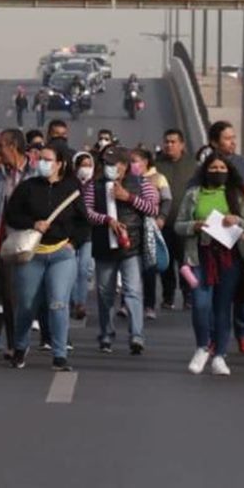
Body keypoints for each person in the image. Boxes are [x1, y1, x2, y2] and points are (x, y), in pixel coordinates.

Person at [3, 142, 88, 371]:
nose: (42, 163)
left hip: (61, 255)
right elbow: (11, 215)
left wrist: (73, 243)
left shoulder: (72, 188)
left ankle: (59, 355)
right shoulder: (27, 187)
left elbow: (84, 222)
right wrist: (33, 223)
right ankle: (20, 347)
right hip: (31, 255)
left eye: (48, 160)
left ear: (60, 164)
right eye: (40, 159)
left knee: (58, 303)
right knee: (26, 305)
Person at [175, 154, 244, 376]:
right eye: (213, 167)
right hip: (200, 256)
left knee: (222, 307)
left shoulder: (235, 195)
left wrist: (237, 220)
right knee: (201, 304)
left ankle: (220, 355)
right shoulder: (193, 194)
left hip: (229, 258)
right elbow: (178, 225)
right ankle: (202, 346)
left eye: (222, 167)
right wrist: (195, 226)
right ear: (205, 170)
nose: (218, 171)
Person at [83, 146, 159, 355]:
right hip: (104, 246)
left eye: (114, 164)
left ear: (124, 166)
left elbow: (153, 208)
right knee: (105, 292)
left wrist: (128, 197)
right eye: (106, 164)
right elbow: (88, 212)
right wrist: (107, 220)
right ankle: (106, 334)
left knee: (132, 290)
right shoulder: (94, 186)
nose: (109, 168)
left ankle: (137, 335)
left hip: (131, 246)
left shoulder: (142, 184)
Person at [0, 128, 39, 360]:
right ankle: (16, 344)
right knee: (8, 294)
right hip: (4, 241)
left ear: (13, 147)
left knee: (29, 295)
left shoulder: (35, 174)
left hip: (32, 240)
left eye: (0, 147)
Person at [155, 129, 197, 310]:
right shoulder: (157, 165)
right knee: (166, 262)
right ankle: (168, 297)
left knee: (185, 262)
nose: (169, 145)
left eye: (173, 142)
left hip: (185, 224)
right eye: (167, 141)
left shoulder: (193, 165)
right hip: (163, 223)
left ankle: (188, 296)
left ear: (182, 145)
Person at [134, 148, 172, 319]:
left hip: (150, 227)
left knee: (149, 267)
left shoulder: (158, 178)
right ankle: (127, 304)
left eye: (135, 161)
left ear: (145, 162)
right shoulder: (128, 179)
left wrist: (161, 217)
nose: (133, 165)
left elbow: (167, 200)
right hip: (132, 228)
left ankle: (149, 305)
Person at [69, 152, 96, 320]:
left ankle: (81, 303)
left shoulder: (94, 185)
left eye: (89, 165)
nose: (86, 169)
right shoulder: (70, 184)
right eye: (82, 165)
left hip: (87, 232)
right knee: (72, 268)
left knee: (84, 269)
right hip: (71, 232)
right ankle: (72, 301)